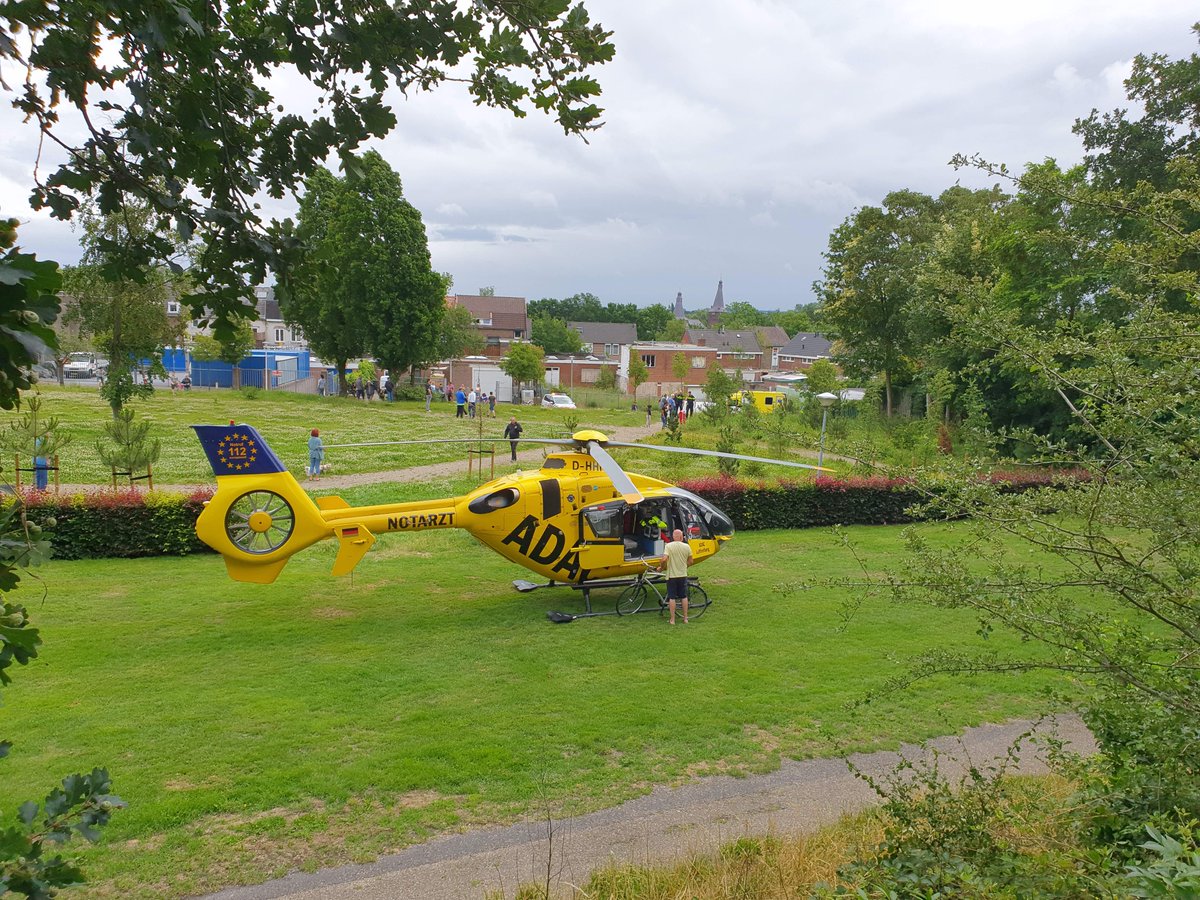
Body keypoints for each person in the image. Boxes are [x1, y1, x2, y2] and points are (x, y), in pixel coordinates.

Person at [657, 528, 693, 624]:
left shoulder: (669, 546)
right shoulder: (687, 547)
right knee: (683, 596)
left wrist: (661, 568)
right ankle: (685, 618)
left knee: (672, 597)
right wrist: (685, 566)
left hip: (672, 576)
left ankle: (672, 619)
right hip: (682, 575)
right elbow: (691, 561)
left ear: (673, 537)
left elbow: (664, 559)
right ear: (681, 537)